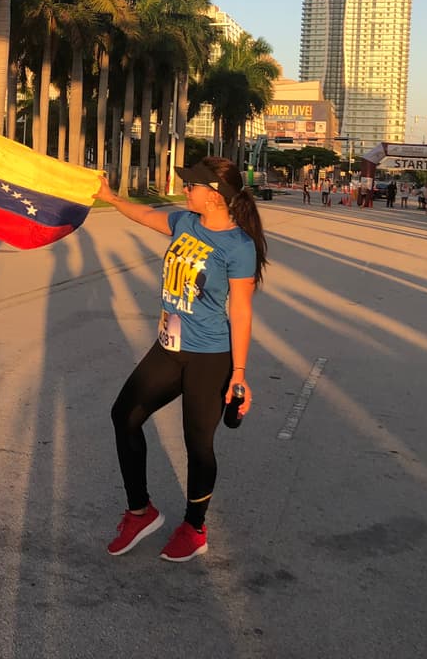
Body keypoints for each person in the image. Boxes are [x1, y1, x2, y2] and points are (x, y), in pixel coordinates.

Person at [96, 157, 268, 562]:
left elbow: (241, 310)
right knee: (124, 416)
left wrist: (239, 374)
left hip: (210, 356)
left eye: (192, 186)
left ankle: (195, 527)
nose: (185, 190)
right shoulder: (185, 223)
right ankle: (140, 512)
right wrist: (111, 197)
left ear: (215, 195)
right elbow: (145, 215)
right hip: (169, 347)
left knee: (198, 445)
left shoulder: (238, 246)